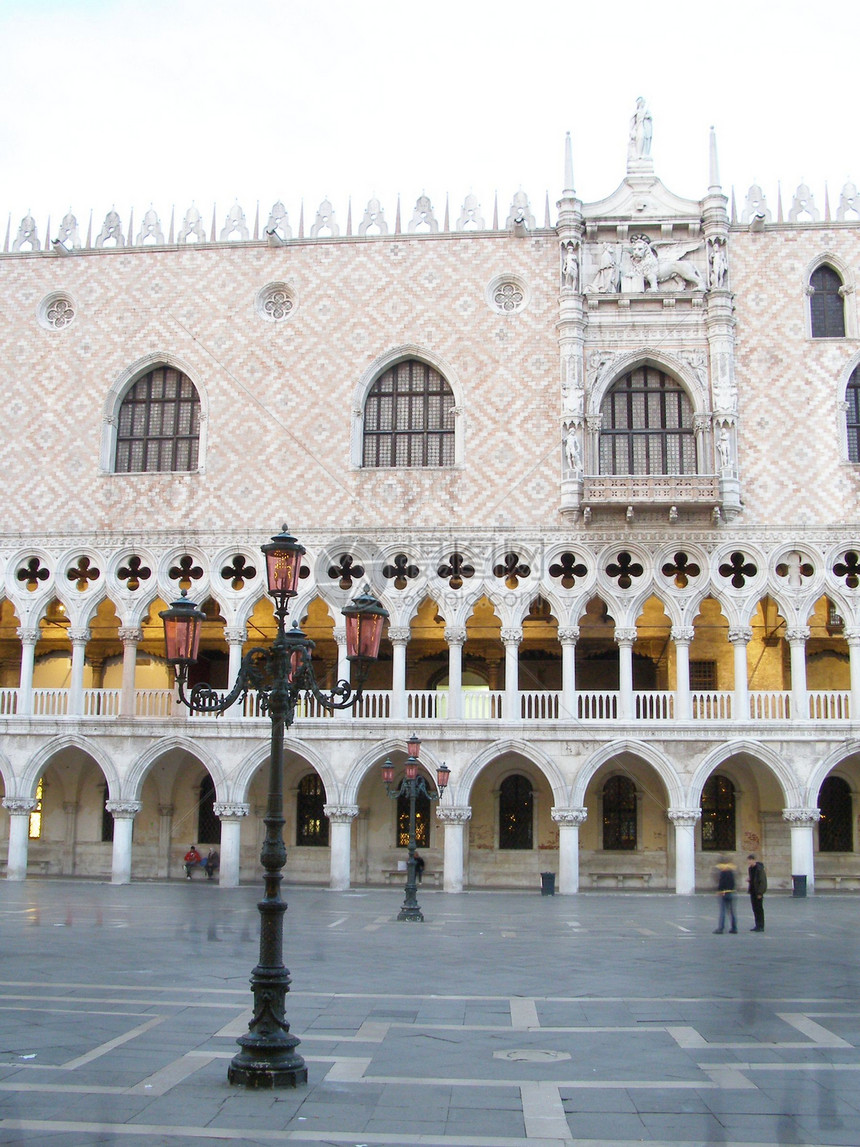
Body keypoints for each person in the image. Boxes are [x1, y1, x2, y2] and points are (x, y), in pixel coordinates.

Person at [714, 857, 738, 933]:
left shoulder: (723, 872)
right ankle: (734, 928)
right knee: (732, 912)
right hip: (731, 892)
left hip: (723, 893)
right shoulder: (732, 871)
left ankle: (721, 928)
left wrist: (719, 890)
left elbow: (721, 883)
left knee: (722, 911)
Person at [748, 853, 767, 931]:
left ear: (754, 860)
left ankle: (761, 925)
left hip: (758, 891)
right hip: (752, 891)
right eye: (748, 860)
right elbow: (753, 879)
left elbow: (763, 881)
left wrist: (760, 893)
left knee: (759, 909)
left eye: (750, 860)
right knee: (755, 909)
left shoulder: (759, 869)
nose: (749, 862)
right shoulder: (750, 868)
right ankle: (757, 925)